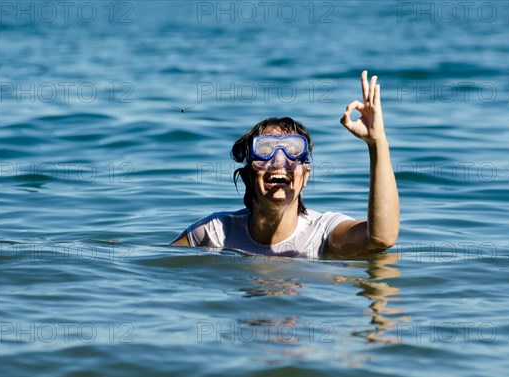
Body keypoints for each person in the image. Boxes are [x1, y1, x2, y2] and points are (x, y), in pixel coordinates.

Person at [171, 71, 399, 258]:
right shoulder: (216, 233)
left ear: (305, 176)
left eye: (293, 151)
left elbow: (381, 239)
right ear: (246, 176)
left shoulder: (322, 232)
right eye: (265, 151)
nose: (280, 162)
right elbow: (154, 273)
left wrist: (377, 143)